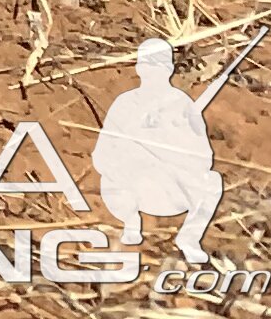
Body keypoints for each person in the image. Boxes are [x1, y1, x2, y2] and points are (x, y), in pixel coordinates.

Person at [90, 38, 229, 264]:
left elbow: (204, 159)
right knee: (112, 179)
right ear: (139, 68)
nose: (152, 72)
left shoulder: (183, 105)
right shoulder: (125, 103)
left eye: (159, 65)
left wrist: (176, 144)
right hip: (131, 190)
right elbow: (102, 154)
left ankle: (189, 238)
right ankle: (131, 224)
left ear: (169, 69)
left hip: (169, 191)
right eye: (147, 65)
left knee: (212, 182)